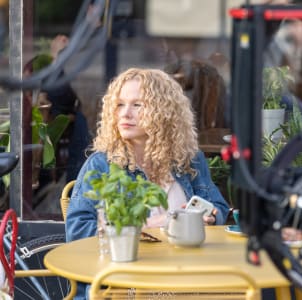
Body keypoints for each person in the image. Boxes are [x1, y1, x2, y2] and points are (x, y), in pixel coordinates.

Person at [65, 68, 229, 298]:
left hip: (187, 277)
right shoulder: (101, 164)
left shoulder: (188, 159)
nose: (125, 114)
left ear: (164, 112)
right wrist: (147, 225)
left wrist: (209, 217)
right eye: (120, 104)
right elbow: (77, 231)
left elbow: (218, 208)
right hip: (123, 286)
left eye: (137, 105)